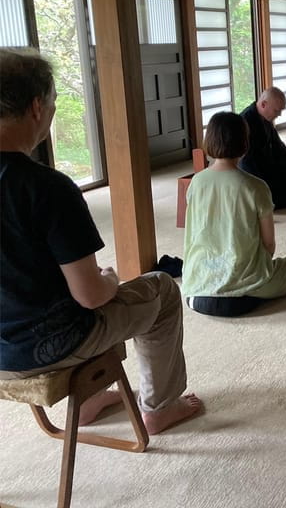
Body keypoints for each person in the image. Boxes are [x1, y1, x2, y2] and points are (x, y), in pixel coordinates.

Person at [0, 49, 201, 435]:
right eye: (55, 101)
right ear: (37, 107)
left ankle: (91, 400)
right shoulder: (46, 188)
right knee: (160, 288)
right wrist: (108, 278)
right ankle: (159, 408)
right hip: (44, 347)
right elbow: (91, 297)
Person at [182, 112, 286, 317]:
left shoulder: (196, 182)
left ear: (209, 141)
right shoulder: (255, 186)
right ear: (244, 142)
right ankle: (256, 289)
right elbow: (268, 245)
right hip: (246, 288)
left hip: (197, 290)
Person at [239, 87, 286, 209]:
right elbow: (246, 160)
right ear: (264, 104)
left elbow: (277, 145)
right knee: (273, 191)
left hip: (266, 161)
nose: (279, 115)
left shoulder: (265, 118)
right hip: (252, 169)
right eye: (276, 111)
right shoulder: (245, 121)